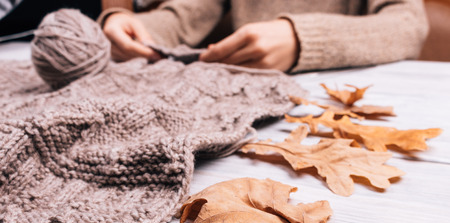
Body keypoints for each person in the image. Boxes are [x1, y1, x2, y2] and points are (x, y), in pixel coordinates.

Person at [99, 0, 429, 73]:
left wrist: (303, 39)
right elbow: (182, 18)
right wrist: (123, 22)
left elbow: (407, 24)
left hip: (341, 113)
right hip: (246, 111)